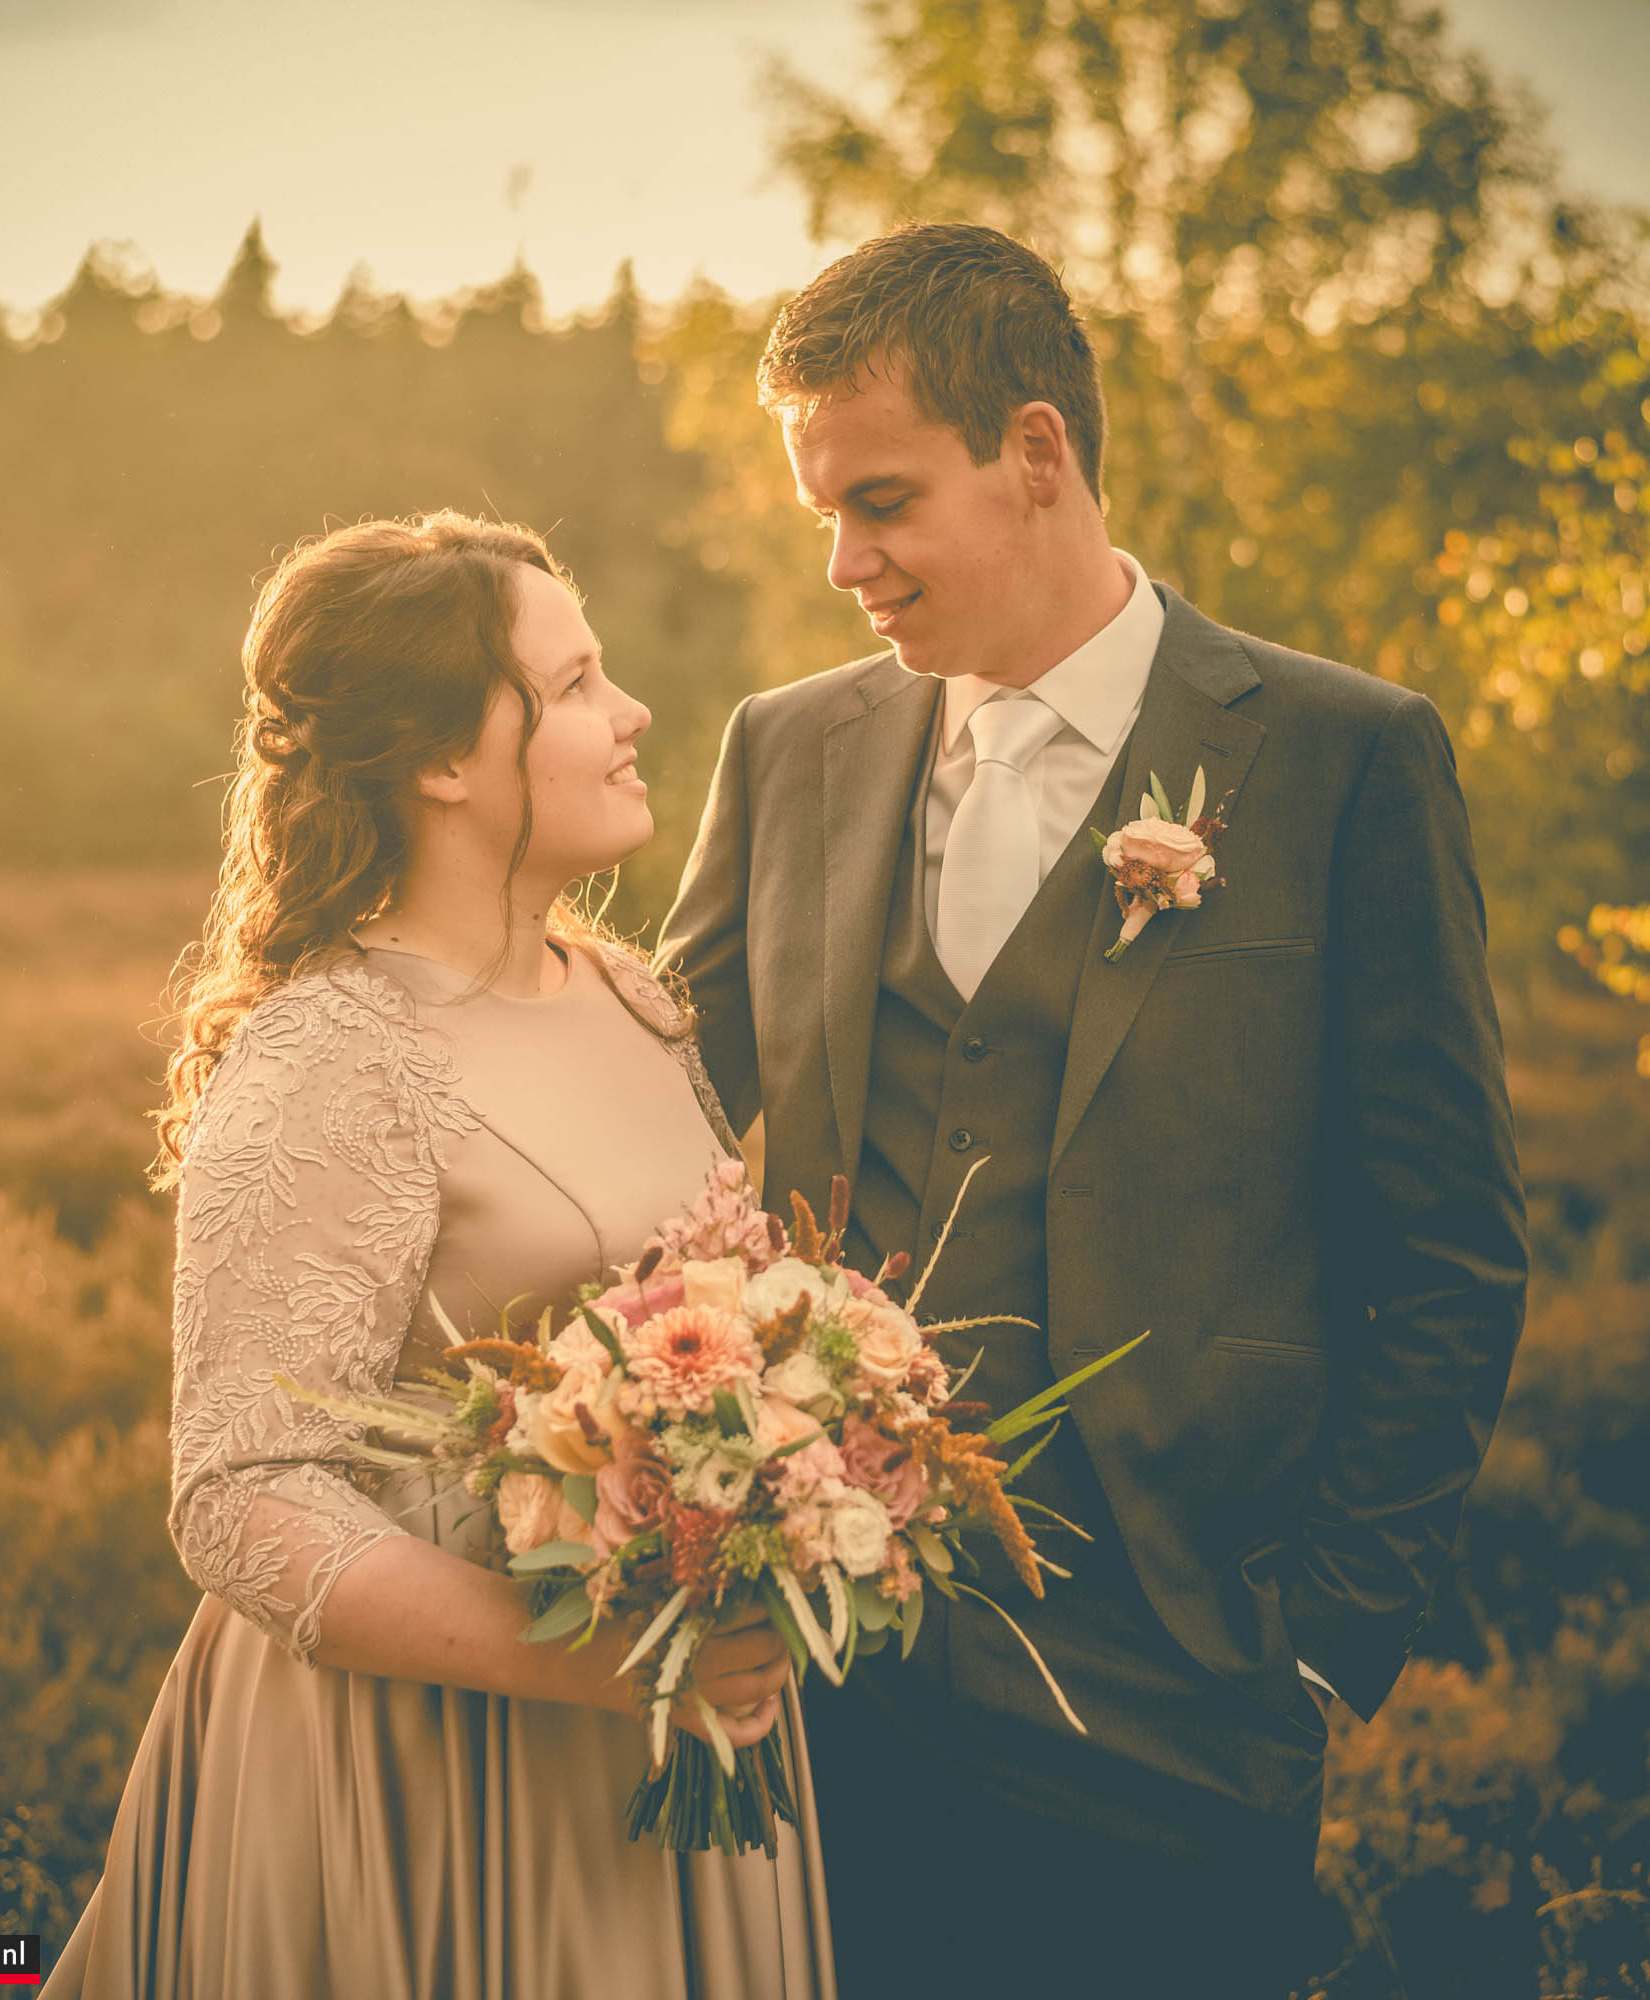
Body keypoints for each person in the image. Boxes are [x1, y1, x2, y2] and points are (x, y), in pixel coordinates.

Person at [660, 223, 1528, 1997]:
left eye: (883, 503)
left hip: (1183, 1691)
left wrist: (1322, 1644)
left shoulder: (1344, 756)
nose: (843, 563)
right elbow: (651, 1113)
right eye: (825, 512)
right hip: (826, 1675)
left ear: (1038, 451)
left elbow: (1449, 1249)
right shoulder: (786, 749)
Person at [43, 514, 833, 2000]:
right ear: (439, 761)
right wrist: (589, 1663)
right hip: (425, 1770)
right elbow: (240, 1495)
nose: (632, 713)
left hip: (668, 1741)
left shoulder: (631, 997)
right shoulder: (331, 1055)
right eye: (575, 685)